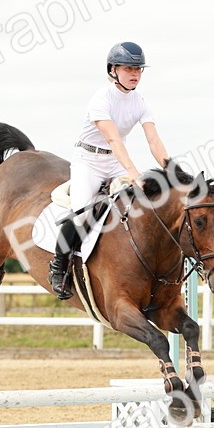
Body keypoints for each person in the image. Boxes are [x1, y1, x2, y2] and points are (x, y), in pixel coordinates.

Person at [48, 42, 171, 300]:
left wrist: (171, 169)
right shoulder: (100, 99)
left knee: (139, 207)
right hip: (88, 161)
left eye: (138, 69)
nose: (135, 74)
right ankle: (58, 267)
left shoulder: (141, 102)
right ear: (113, 70)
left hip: (116, 162)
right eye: (129, 68)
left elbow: (154, 141)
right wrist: (135, 174)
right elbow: (114, 140)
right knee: (82, 214)